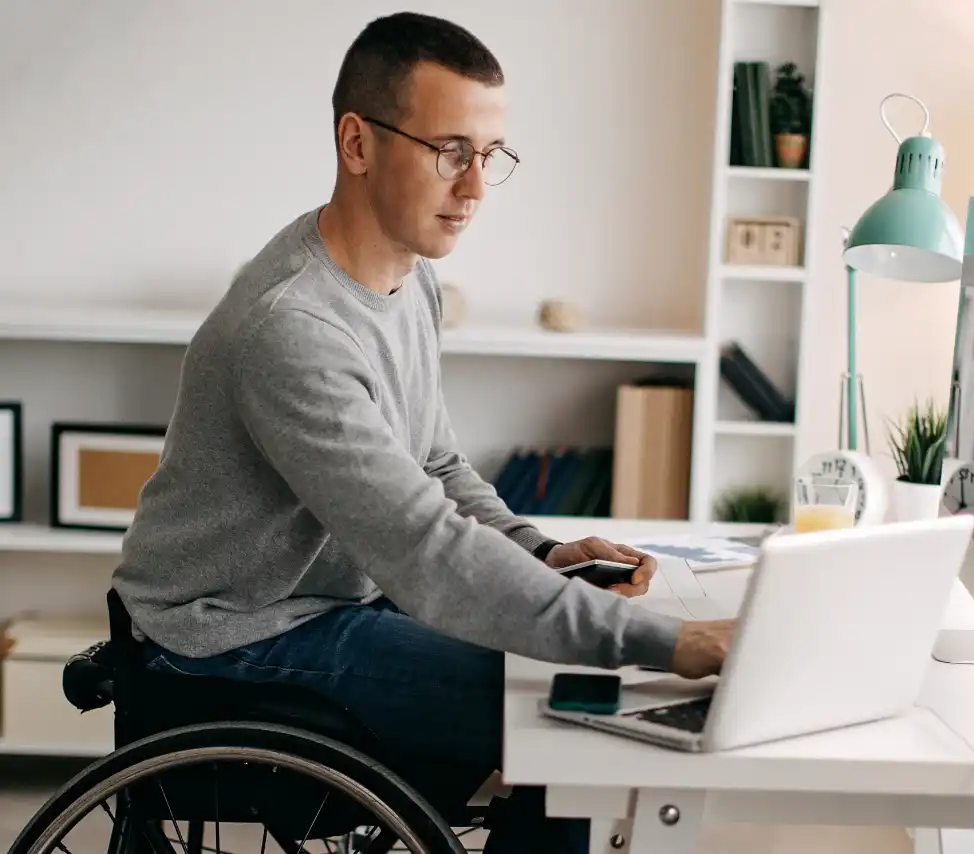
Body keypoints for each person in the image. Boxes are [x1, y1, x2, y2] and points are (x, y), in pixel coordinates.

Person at [110, 10, 734, 853]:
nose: (474, 188)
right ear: (357, 142)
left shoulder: (411, 282)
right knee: (564, 706)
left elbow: (434, 465)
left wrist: (537, 551)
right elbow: (423, 547)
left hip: (335, 605)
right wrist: (669, 642)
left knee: (556, 692)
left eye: (489, 156)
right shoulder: (292, 329)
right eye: (449, 152)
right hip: (231, 634)